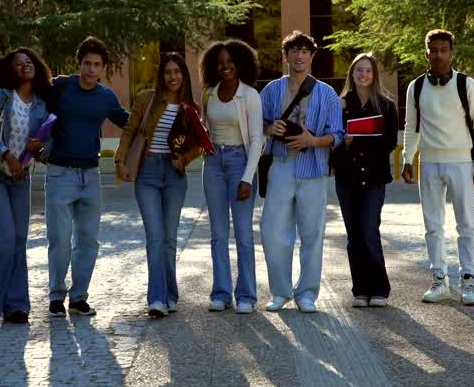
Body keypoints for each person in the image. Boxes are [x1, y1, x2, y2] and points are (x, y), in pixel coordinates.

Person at [401, 29, 474, 306]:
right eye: (434, 50)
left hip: (461, 161)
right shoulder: (416, 87)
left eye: (444, 50)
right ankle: (439, 279)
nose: (438, 55)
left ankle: (469, 281)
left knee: (466, 225)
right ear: (426, 53)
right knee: (433, 226)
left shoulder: (466, 84)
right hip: (428, 162)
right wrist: (407, 158)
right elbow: (411, 126)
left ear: (451, 53)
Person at [0, 49, 53, 327]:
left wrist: (38, 148)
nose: (25, 66)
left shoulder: (41, 105)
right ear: (10, 71)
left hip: (20, 179)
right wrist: (5, 153)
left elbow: (47, 145)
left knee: (18, 241)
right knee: (2, 242)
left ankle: (16, 306)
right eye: (18, 64)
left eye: (28, 62)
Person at [259, 30, 344, 313]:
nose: (299, 56)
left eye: (305, 51)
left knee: (312, 234)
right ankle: (280, 292)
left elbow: (338, 134)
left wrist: (313, 141)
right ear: (285, 56)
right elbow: (257, 125)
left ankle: (307, 293)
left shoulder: (326, 93)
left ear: (312, 56)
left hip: (314, 168)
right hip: (280, 165)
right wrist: (270, 127)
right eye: (294, 51)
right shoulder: (271, 90)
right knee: (273, 232)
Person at [46, 37, 130, 317]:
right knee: (59, 238)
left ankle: (79, 297)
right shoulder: (60, 87)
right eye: (86, 63)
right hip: (60, 173)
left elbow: (127, 121)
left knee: (88, 240)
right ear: (79, 64)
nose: (91, 69)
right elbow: (32, 99)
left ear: (103, 67)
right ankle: (56, 296)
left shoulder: (106, 97)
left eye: (96, 64)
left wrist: (161, 117)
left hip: (90, 176)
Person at [116, 53, 204, 319]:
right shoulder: (147, 99)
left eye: (177, 71)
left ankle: (170, 295)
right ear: (161, 75)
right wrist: (120, 160)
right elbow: (129, 131)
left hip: (174, 175)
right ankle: (156, 298)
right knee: (155, 237)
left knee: (169, 239)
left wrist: (185, 159)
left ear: (184, 75)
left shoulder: (191, 108)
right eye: (168, 72)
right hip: (147, 172)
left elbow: (199, 143)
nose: (172, 76)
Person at [199, 39, 264, 314]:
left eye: (230, 62)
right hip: (214, 163)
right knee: (217, 234)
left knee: (243, 233)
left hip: (240, 162)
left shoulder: (250, 95)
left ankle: (246, 295)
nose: (225, 67)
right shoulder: (209, 94)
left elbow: (257, 139)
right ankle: (221, 293)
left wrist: (247, 178)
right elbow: (204, 127)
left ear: (241, 64)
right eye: (220, 63)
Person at [330, 54, 398, 309]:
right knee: (354, 236)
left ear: (374, 75)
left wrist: (358, 140)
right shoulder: (339, 105)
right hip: (347, 177)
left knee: (369, 231)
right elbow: (331, 145)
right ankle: (360, 290)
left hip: (373, 177)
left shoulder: (386, 105)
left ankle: (379, 289)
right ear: (352, 73)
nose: (363, 75)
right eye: (359, 70)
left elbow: (389, 142)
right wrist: (344, 144)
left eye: (368, 70)